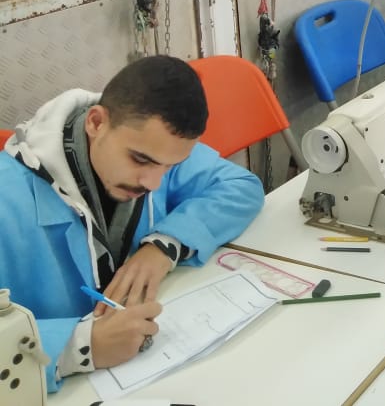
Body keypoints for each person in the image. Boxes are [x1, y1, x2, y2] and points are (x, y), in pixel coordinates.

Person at [0, 55, 265, 392]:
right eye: (140, 160)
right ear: (96, 123)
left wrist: (164, 246)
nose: (153, 183)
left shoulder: (156, 146)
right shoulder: (8, 197)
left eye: (170, 167)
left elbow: (241, 187)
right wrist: (76, 347)